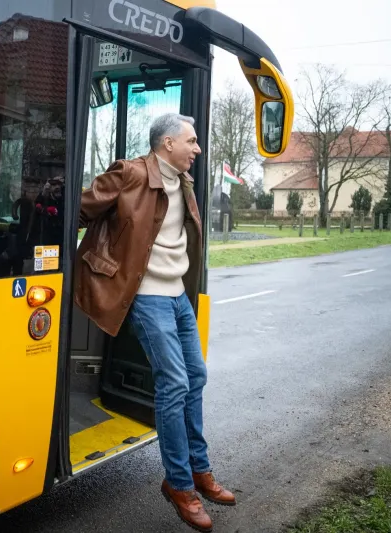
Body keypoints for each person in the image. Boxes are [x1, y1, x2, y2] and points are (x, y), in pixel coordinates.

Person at [75, 113, 234, 532]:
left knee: (196, 376)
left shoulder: (184, 181)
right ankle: (179, 485)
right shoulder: (130, 174)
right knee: (175, 382)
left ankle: (200, 470)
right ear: (167, 143)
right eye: (192, 142)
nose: (197, 149)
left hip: (178, 296)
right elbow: (80, 208)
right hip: (147, 297)